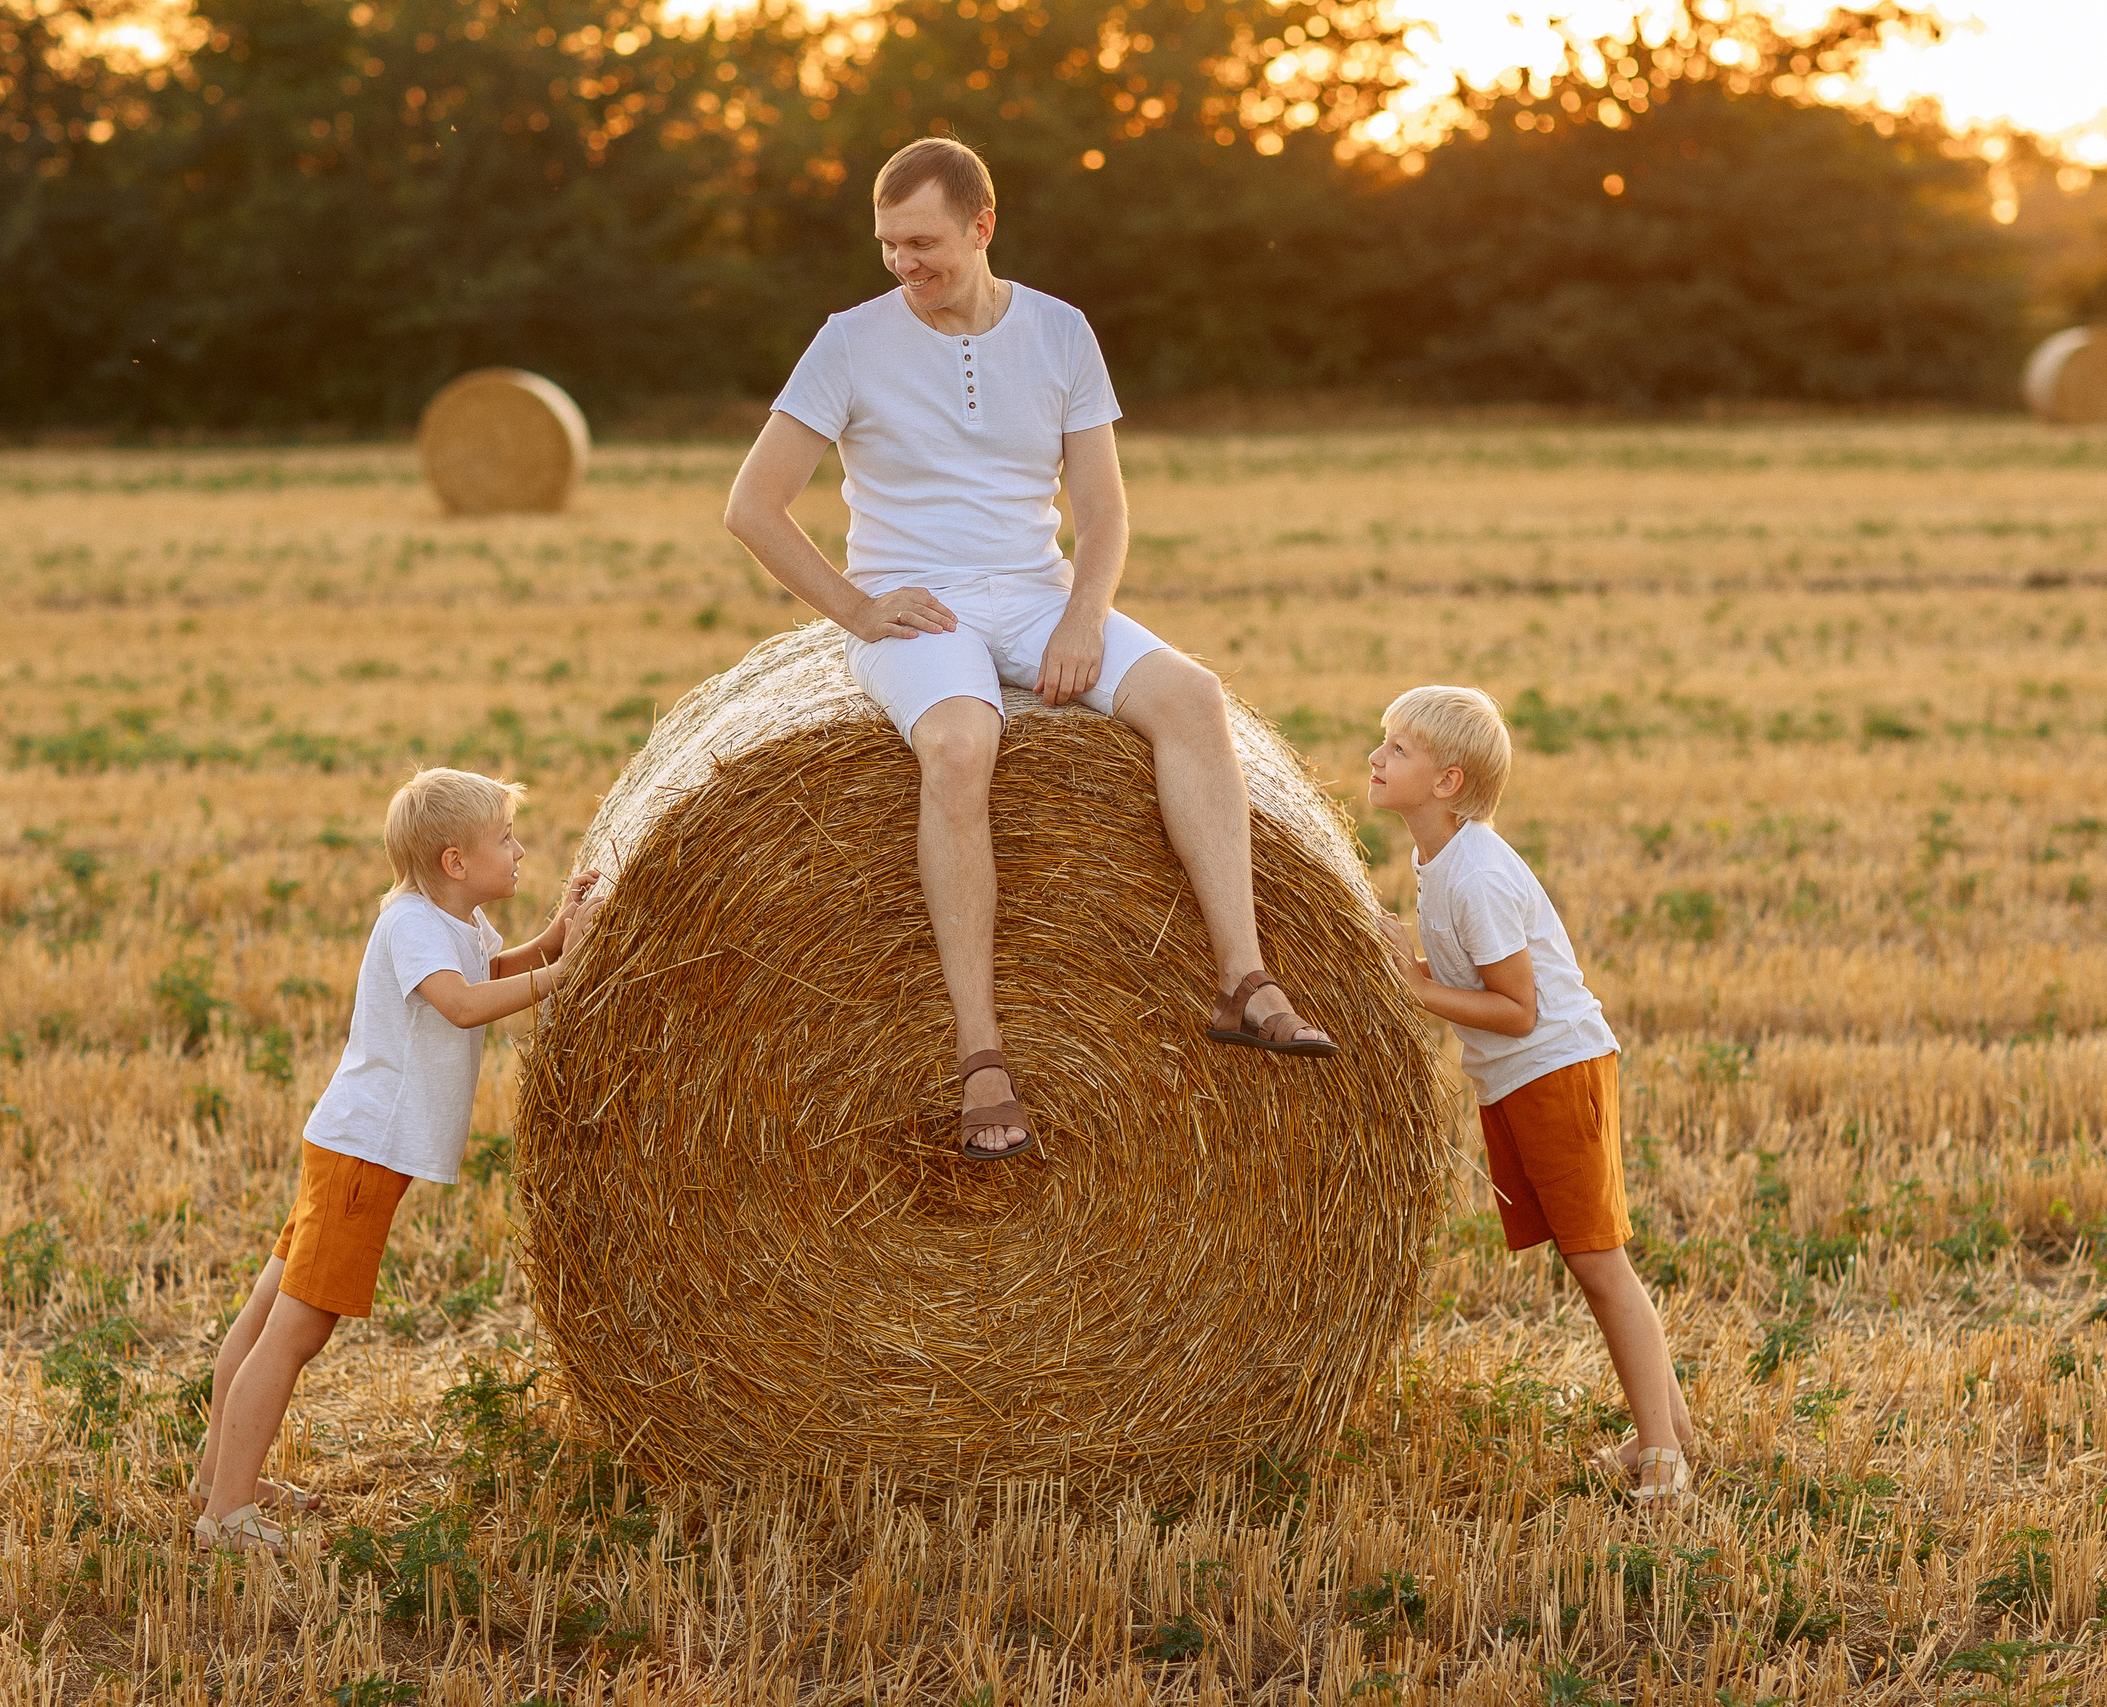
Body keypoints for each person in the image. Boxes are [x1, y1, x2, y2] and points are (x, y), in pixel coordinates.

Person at [723, 136, 1334, 1164]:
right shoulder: (848, 343)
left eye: (922, 242)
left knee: (1192, 696)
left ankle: (1242, 979)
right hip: (922, 612)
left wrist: (1084, 615)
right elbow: (752, 505)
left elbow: (1103, 509)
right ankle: (982, 1052)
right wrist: (857, 609)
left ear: (982, 226)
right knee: (961, 744)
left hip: (1038, 592)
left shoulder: (1059, 331)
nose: (902, 263)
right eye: (887, 245)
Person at [191, 767, 605, 1553]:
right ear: (455, 860)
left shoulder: (458, 921)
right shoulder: (412, 924)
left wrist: (556, 935)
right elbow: (464, 1004)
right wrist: (566, 971)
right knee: (294, 1334)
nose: (519, 850)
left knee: (266, 1315)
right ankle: (228, 1515)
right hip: (362, 1154)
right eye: (506, 839)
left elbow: (489, 974)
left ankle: (218, 1477)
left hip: (350, 1145)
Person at [1367, 686, 1696, 1507]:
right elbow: (1472, 979)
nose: (1376, 757)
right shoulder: (1438, 858)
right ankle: (1674, 1429)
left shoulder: (1475, 874)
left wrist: (1415, 988)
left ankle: (1662, 1452)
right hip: (1517, 1079)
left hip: (1555, 1069)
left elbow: (1518, 1008)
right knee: (1591, 1259)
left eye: (1398, 749)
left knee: (1599, 1263)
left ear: (1447, 782)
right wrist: (1408, 961)